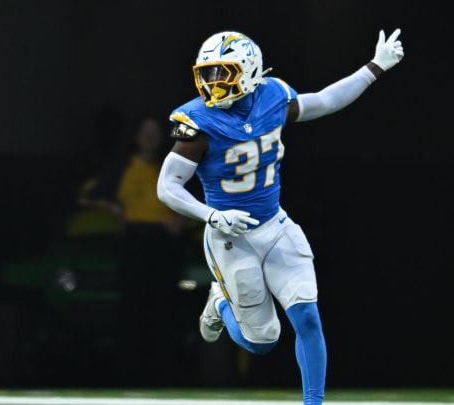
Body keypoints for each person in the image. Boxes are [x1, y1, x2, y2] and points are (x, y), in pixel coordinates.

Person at [156, 29, 403, 404]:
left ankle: (313, 402)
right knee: (263, 342)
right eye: (206, 74)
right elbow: (167, 186)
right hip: (230, 239)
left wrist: (375, 67)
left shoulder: (273, 95)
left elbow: (323, 101)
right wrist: (211, 216)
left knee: (307, 317)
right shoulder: (197, 122)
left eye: (221, 73)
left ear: (249, 70)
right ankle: (220, 302)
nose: (212, 83)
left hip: (275, 226)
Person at [79, 115, 190, 384]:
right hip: (133, 241)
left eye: (155, 132)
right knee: (132, 305)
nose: (150, 138)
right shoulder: (122, 168)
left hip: (163, 243)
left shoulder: (173, 167)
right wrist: (114, 209)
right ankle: (129, 374)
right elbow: (87, 196)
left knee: (163, 306)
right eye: (145, 132)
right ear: (136, 137)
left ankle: (162, 373)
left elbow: (195, 199)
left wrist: (179, 221)